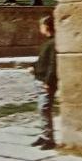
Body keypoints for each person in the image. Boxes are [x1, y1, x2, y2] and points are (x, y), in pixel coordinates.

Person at [31, 14, 57, 149]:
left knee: (44, 108)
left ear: (46, 26)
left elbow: (53, 64)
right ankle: (44, 134)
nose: (40, 28)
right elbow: (43, 61)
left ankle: (49, 139)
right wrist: (34, 68)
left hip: (45, 82)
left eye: (41, 25)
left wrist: (48, 81)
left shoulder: (53, 43)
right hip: (39, 79)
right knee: (41, 110)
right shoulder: (47, 42)